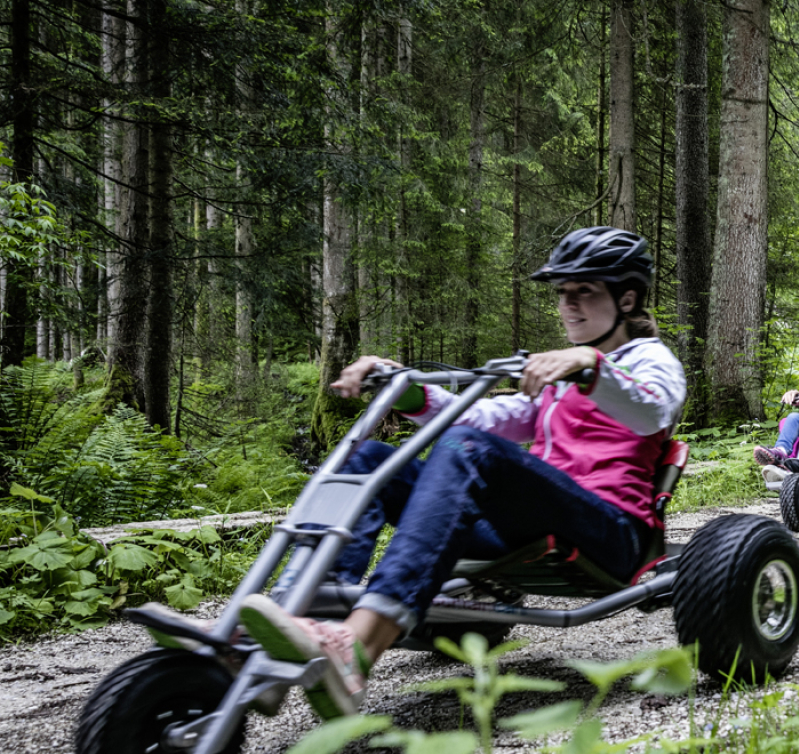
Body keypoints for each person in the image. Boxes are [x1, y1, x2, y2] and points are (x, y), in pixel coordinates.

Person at [152, 226, 686, 721]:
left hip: (612, 531)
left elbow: (651, 411)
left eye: (584, 292)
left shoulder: (649, 360)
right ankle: (296, 620)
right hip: (537, 522)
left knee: (468, 449)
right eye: (562, 293)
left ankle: (359, 646)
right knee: (369, 461)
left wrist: (589, 364)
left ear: (628, 298)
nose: (568, 304)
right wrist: (404, 386)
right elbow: (482, 419)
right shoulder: (560, 375)